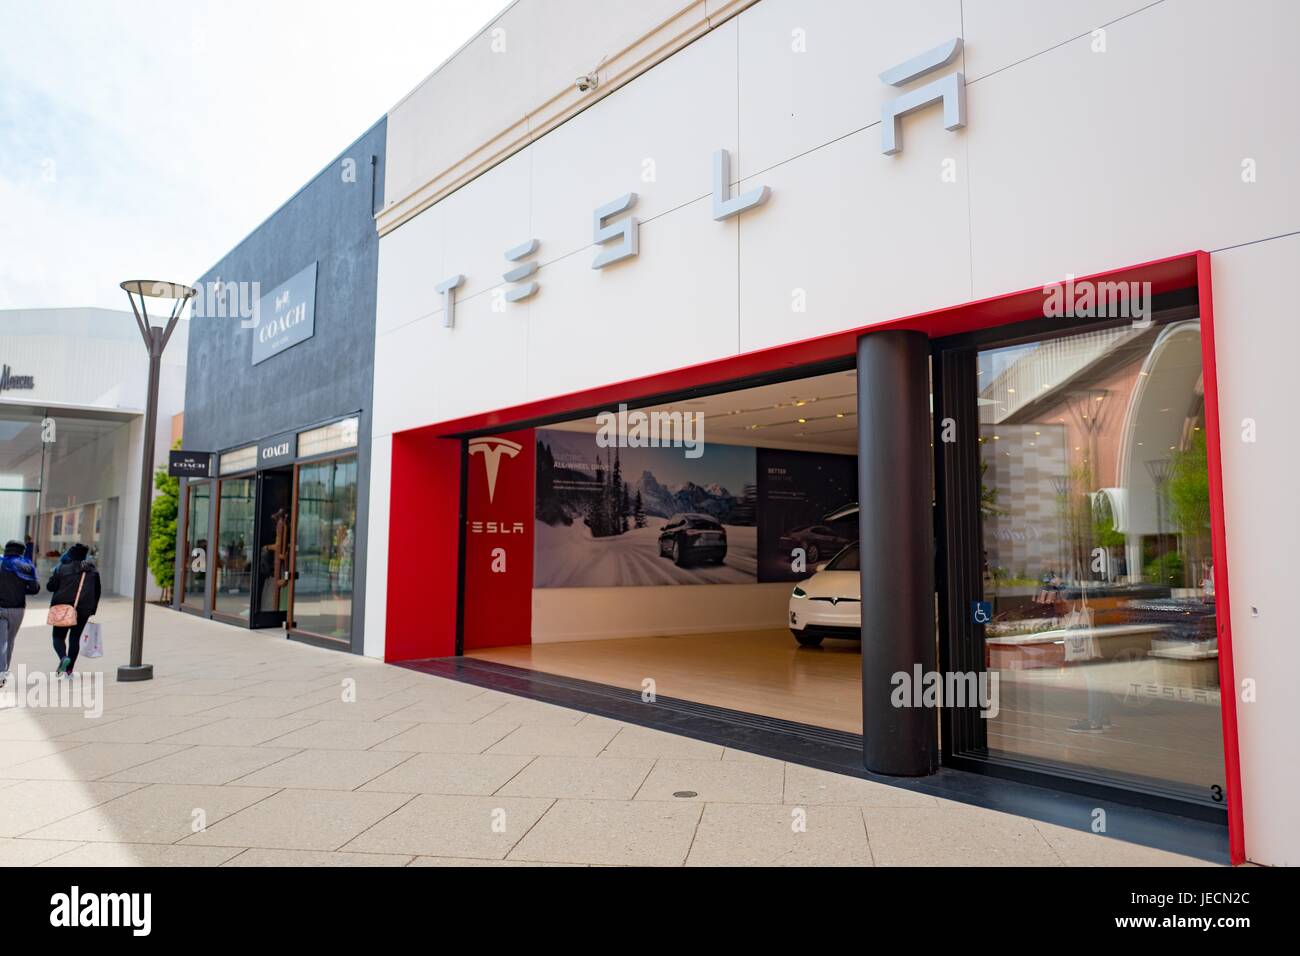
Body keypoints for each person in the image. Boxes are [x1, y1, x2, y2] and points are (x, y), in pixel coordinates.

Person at [46, 542, 100, 677]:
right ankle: (69, 671)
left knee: (58, 637)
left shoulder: (62, 568)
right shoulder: (93, 570)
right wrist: (92, 609)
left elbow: (50, 587)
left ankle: (63, 658)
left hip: (62, 607)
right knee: (74, 639)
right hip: (83, 609)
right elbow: (97, 591)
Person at [0, 540, 41, 687]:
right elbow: (35, 588)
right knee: (9, 641)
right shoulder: (26, 566)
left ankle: (1, 672)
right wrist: (20, 589)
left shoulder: (1, 562)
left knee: (1, 641)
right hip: (18, 609)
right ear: (21, 551)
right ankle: (3, 673)